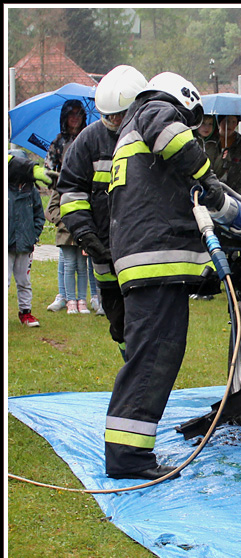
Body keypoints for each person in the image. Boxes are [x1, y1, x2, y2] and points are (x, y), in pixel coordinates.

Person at [104, 71, 228, 480]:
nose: (190, 129)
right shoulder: (155, 109)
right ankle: (129, 459)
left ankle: (128, 454)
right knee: (152, 361)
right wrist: (206, 178)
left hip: (145, 260)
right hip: (154, 262)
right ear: (182, 99)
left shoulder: (129, 131)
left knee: (151, 358)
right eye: (189, 119)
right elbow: (176, 141)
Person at [58, 64, 149, 358]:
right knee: (117, 316)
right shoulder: (88, 141)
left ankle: (141, 368)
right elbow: (71, 193)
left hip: (143, 247)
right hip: (103, 248)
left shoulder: (151, 137)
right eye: (108, 115)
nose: (113, 121)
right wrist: (86, 235)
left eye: (119, 115)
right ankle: (129, 358)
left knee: (147, 315)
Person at [45, 99, 87, 313]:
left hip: (84, 195)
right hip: (62, 195)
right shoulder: (58, 142)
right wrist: (60, 179)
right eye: (71, 114)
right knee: (66, 254)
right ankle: (64, 295)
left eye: (79, 114)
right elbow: (48, 170)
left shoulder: (88, 138)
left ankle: (80, 297)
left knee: (80, 257)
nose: (75, 118)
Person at [8, 149, 47, 327]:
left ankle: (26, 313)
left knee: (24, 281)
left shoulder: (31, 191)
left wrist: (33, 234)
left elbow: (39, 215)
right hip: (7, 243)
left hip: (25, 244)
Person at [214, 114, 241, 198]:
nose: (230, 125)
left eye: (233, 122)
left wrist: (238, 195)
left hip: (235, 194)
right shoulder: (211, 141)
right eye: (227, 121)